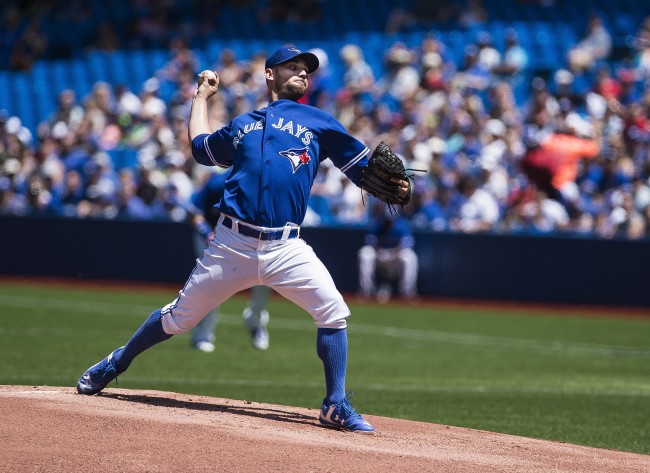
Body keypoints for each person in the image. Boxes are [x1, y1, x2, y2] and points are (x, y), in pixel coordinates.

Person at [76, 45, 411, 433]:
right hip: (230, 245)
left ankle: (334, 404)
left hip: (287, 247)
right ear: (270, 74)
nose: (303, 73)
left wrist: (388, 182)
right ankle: (117, 361)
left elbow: (360, 167)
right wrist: (201, 97)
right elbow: (201, 149)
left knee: (332, 311)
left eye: (306, 70)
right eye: (293, 67)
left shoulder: (319, 121)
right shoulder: (244, 124)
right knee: (179, 318)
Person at [188, 169, 271, 352]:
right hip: (212, 236)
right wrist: (206, 232)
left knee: (265, 277)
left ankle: (255, 323)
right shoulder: (217, 183)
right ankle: (202, 335)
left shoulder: (262, 182)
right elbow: (195, 214)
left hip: (247, 238)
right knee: (211, 282)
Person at [357, 202, 419, 304]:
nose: (389, 222)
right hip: (380, 253)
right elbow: (370, 242)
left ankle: (407, 294)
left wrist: (392, 256)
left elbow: (407, 244)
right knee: (365, 253)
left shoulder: (402, 224)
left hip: (395, 255)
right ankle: (366, 292)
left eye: (391, 219)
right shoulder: (377, 222)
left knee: (409, 257)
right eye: (387, 218)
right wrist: (380, 253)